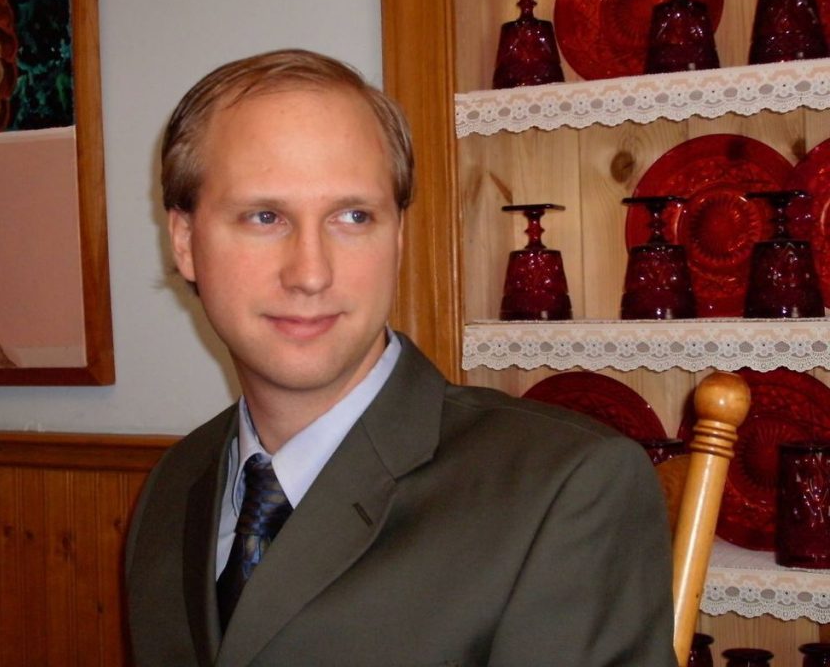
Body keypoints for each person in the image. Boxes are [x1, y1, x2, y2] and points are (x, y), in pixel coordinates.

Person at [125, 48, 677, 667]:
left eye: (353, 216)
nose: (310, 273)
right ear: (185, 242)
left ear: (397, 238)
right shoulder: (175, 487)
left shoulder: (564, 489)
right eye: (265, 216)